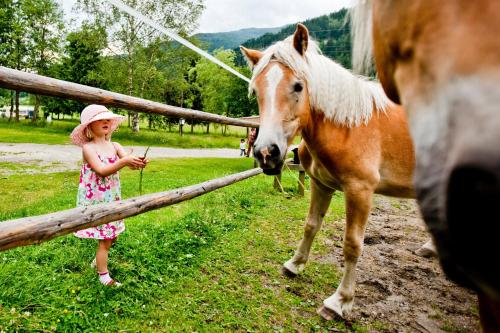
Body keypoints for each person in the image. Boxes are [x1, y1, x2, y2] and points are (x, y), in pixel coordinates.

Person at [70, 104, 148, 286]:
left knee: (113, 235)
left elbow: (129, 163)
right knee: (105, 238)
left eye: (107, 119)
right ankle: (103, 275)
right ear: (89, 126)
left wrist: (138, 162)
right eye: (99, 120)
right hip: (96, 199)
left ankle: (99, 260)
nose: (105, 121)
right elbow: (102, 171)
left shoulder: (115, 145)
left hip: (112, 197)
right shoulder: (89, 148)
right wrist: (125, 161)